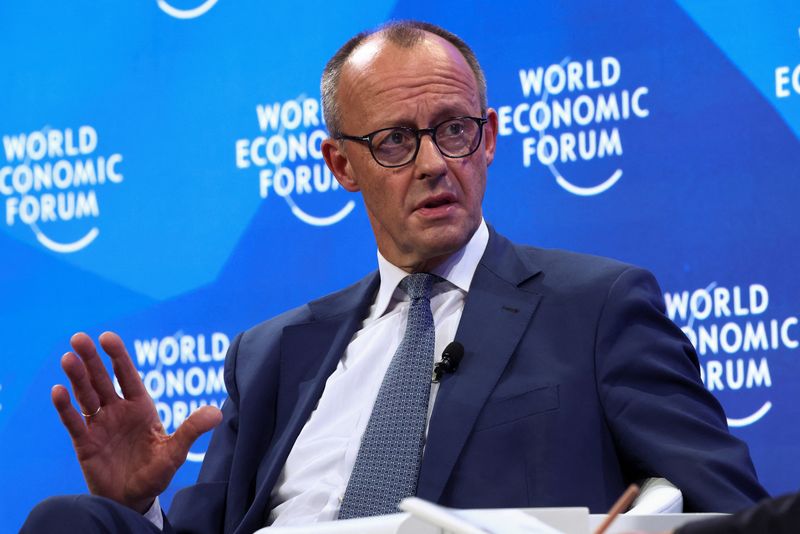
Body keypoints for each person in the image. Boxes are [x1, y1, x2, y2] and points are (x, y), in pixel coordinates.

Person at [23, 20, 767, 534]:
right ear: (341, 166)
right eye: (396, 141)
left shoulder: (597, 307)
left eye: (454, 129)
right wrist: (138, 507)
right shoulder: (273, 353)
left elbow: (730, 509)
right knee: (71, 520)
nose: (435, 162)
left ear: (489, 139)